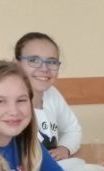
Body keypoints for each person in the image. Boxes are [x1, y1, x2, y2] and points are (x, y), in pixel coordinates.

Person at [14, 32, 83, 160]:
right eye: (34, 60)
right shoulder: (8, 103)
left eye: (51, 62)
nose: (45, 68)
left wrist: (64, 148)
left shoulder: (52, 94)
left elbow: (72, 130)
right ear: (17, 65)